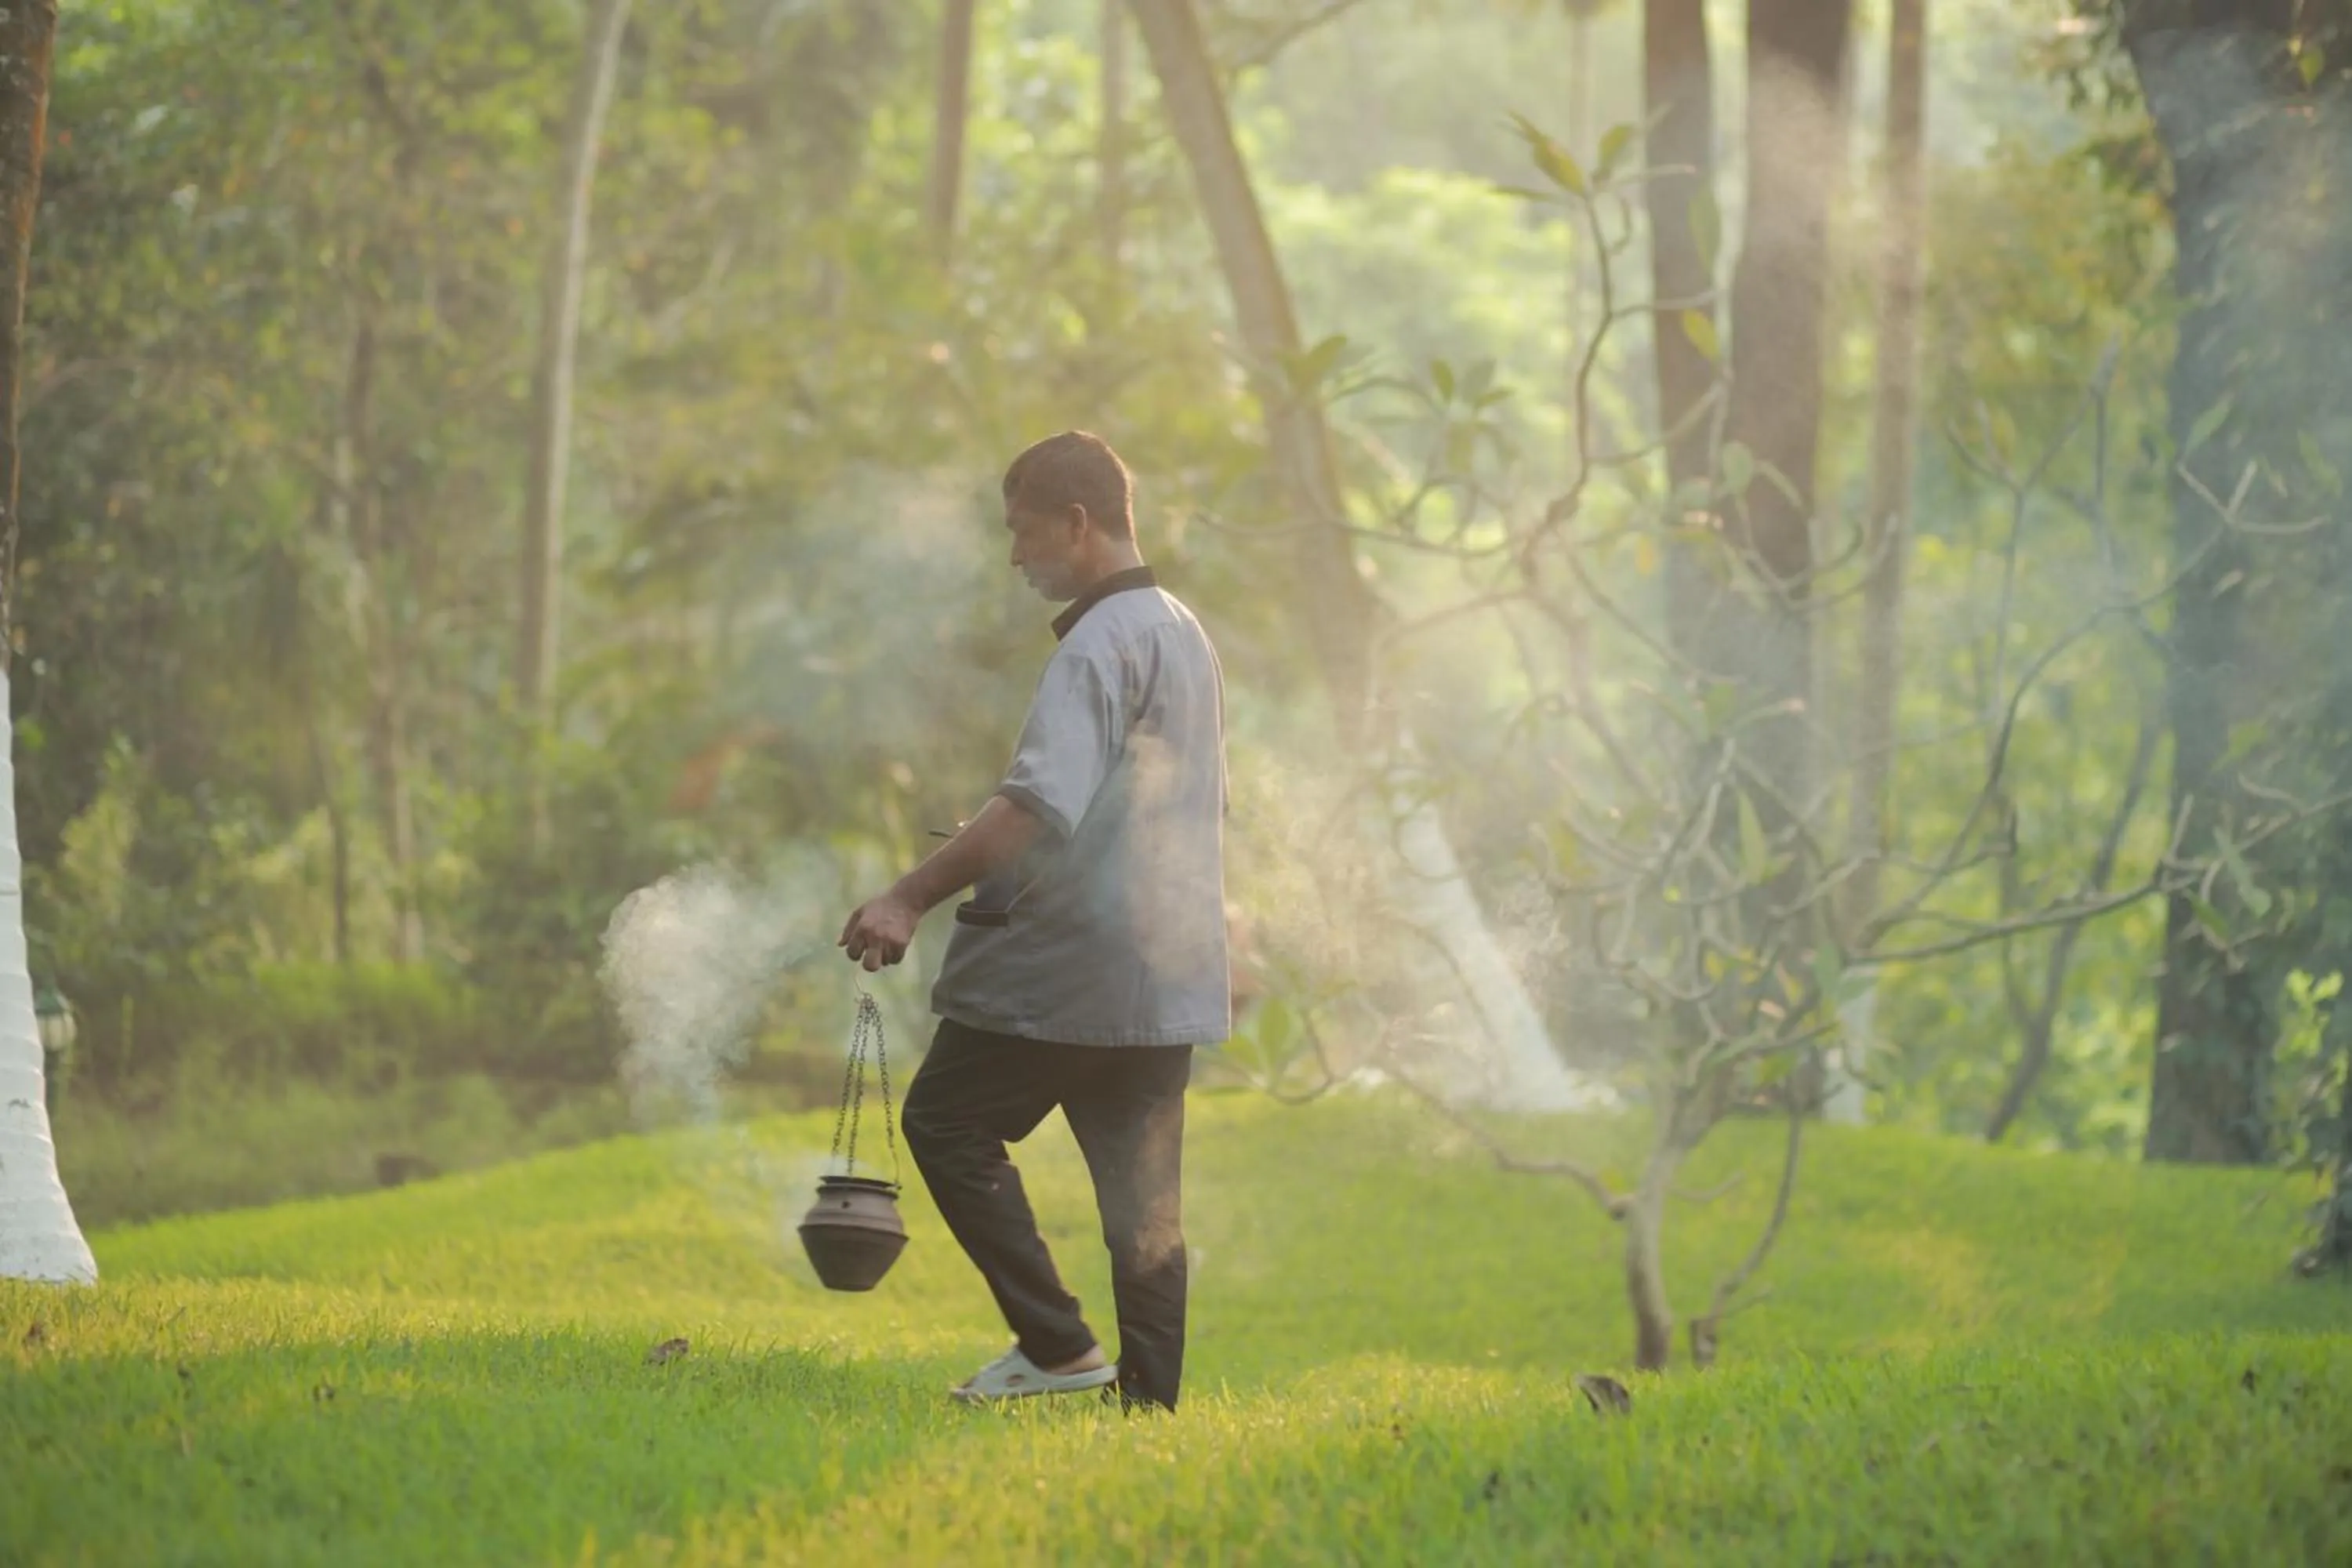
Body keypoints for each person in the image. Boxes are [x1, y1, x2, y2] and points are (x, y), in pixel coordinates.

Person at [837, 430, 1229, 1413]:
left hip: (1071, 965)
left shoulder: (1098, 644)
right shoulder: (1182, 628)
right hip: (1165, 967)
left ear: (1078, 522)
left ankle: (1056, 1343)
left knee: (944, 1119)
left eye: (1023, 532)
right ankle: (1149, 1404)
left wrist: (906, 895)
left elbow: (1033, 808)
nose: (1015, 555)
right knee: (1146, 1205)